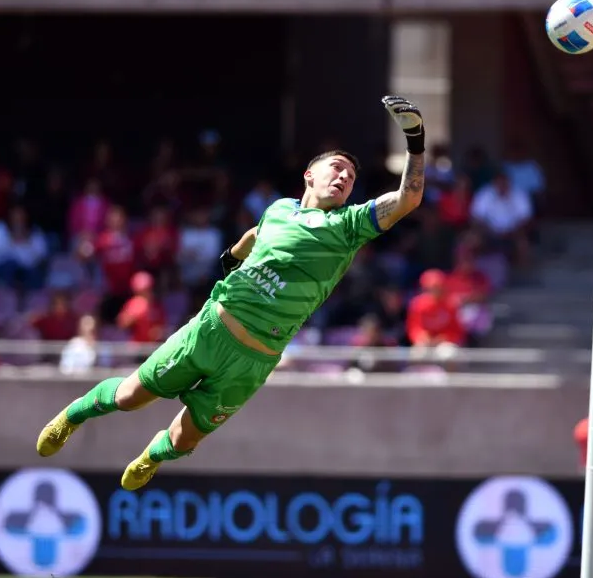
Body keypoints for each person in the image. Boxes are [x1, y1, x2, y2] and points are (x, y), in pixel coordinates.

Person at [35, 95, 428, 490]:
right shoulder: (278, 209)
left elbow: (409, 198)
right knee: (132, 396)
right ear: (310, 175)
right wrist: (232, 257)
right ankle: (73, 416)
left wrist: (414, 137)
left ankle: (152, 456)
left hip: (254, 359)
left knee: (185, 438)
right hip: (210, 330)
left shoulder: (349, 226)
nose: (344, 178)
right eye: (337, 168)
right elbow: (258, 234)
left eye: (351, 179)